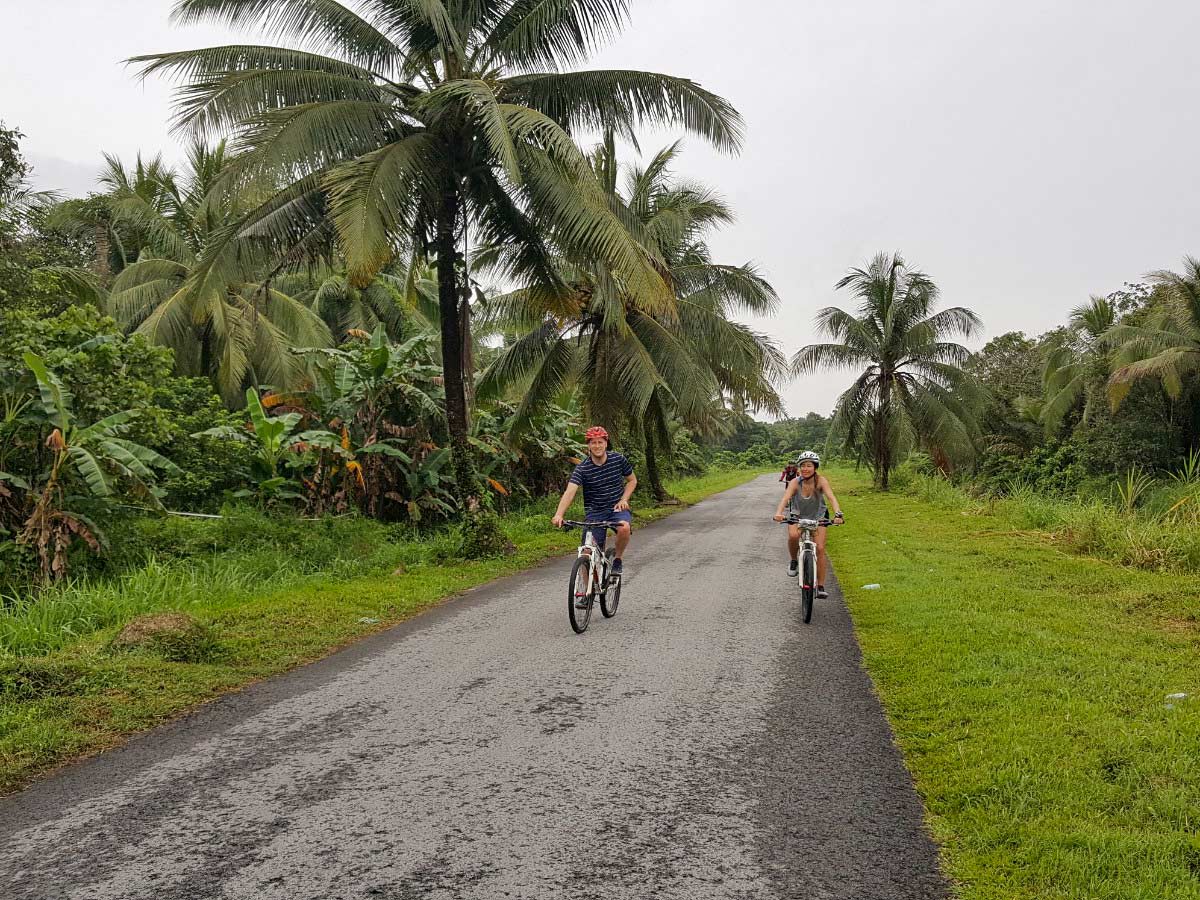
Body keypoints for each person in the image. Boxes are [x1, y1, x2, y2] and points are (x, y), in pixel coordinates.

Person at [552, 425, 637, 578]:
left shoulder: (618, 459)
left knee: (624, 527)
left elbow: (632, 480)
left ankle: (617, 559)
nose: (597, 446)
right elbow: (570, 492)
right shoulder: (583, 468)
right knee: (586, 553)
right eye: (593, 443)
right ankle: (586, 593)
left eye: (600, 442)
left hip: (616, 508)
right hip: (595, 512)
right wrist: (559, 514)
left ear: (606, 443)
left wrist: (624, 499)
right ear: (588, 446)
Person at [772, 451, 844, 598]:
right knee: (793, 536)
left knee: (821, 548)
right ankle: (793, 561)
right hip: (797, 515)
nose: (805, 469)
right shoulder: (794, 482)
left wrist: (838, 514)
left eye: (809, 465)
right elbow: (785, 498)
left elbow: (831, 497)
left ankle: (821, 586)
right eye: (803, 466)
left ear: (815, 467)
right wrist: (779, 513)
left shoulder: (821, 481)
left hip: (819, 516)